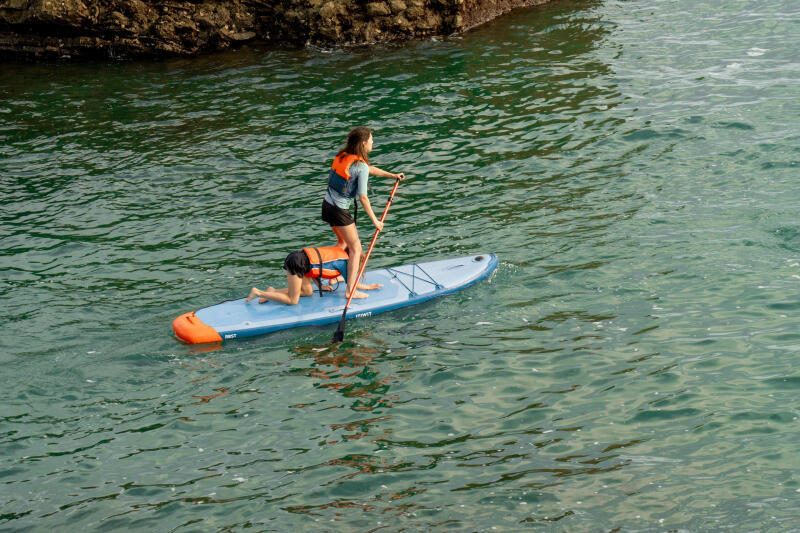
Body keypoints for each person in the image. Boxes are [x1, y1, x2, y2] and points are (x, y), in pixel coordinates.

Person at [322, 127, 405, 299]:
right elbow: (363, 198)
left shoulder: (343, 156)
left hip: (327, 206)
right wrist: (375, 221)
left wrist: (393, 176)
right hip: (339, 210)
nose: (373, 142)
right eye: (371, 140)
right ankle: (350, 289)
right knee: (356, 247)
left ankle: (332, 277)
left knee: (343, 242)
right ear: (364, 143)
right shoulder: (360, 167)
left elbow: (370, 169)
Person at [246, 246, 382, 306]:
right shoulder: (345, 263)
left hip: (300, 260)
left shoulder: (339, 254)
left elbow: (317, 267)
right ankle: (259, 293)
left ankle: (273, 292)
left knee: (307, 292)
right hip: (297, 263)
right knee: (293, 300)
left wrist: (320, 285)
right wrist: (369, 287)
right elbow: (352, 285)